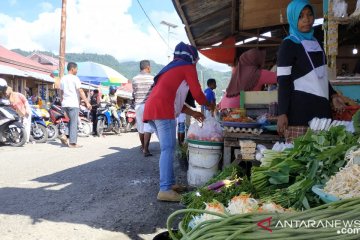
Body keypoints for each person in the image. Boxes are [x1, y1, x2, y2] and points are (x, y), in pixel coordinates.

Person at [143, 42, 214, 202]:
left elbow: (177, 101)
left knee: (168, 148)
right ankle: (165, 189)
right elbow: (198, 94)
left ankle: (170, 183)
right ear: (193, 58)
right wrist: (209, 104)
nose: (196, 63)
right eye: (196, 60)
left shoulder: (172, 68)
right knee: (168, 149)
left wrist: (194, 112)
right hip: (162, 110)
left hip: (153, 108)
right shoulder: (187, 66)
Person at [277, 0, 345, 142]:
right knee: (299, 160)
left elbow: (320, 75)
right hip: (299, 115)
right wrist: (282, 113)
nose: (306, 20)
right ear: (293, 18)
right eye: (301, 16)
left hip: (322, 115)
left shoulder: (318, 43)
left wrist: (333, 95)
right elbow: (283, 82)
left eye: (309, 15)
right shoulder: (288, 45)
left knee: (321, 160)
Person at [60, 62, 92, 148]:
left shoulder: (63, 78)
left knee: (71, 121)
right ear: (72, 69)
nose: (77, 71)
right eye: (77, 69)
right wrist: (87, 102)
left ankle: (65, 135)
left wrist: (62, 101)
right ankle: (72, 143)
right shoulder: (75, 78)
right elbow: (80, 91)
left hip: (65, 104)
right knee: (74, 123)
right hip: (73, 103)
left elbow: (61, 92)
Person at [132, 60, 155, 157]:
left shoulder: (134, 79)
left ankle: (142, 146)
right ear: (148, 67)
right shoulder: (153, 79)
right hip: (148, 105)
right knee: (148, 127)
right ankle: (146, 149)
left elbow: (134, 93)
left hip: (138, 105)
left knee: (140, 127)